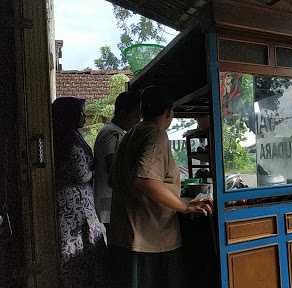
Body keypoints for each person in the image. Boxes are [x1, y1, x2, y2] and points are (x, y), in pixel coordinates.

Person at [110, 86, 212, 288]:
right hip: (149, 239)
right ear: (168, 112)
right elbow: (145, 180)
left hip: (126, 235)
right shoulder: (156, 135)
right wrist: (184, 206)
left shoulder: (130, 134)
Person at [52, 97, 106, 288]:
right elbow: (80, 173)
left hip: (78, 203)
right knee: (79, 256)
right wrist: (96, 168)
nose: (84, 116)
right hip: (74, 206)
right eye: (80, 113)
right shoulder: (67, 139)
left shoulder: (70, 135)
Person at [94, 91, 141, 235]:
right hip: (110, 203)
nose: (138, 119)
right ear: (122, 112)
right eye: (136, 115)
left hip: (110, 202)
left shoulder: (113, 131)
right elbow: (114, 169)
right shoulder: (112, 134)